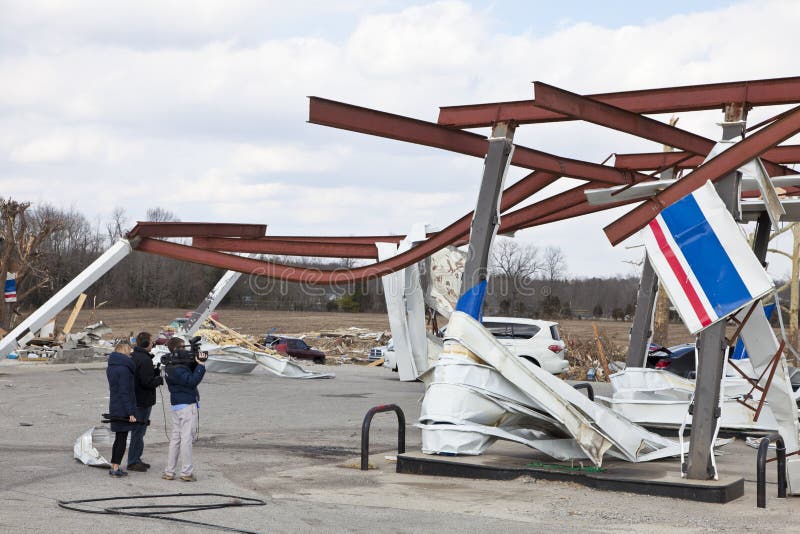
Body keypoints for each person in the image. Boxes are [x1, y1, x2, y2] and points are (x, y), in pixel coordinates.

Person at [162, 337, 206, 482]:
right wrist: (200, 366)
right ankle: (186, 472)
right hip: (187, 405)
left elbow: (188, 373)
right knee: (186, 439)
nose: (185, 350)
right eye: (182, 347)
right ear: (176, 349)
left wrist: (194, 361)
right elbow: (192, 381)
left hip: (177, 405)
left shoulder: (170, 365)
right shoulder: (178, 368)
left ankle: (169, 471)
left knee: (176, 438)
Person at [128, 331, 163, 472]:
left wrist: (153, 373)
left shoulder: (135, 356)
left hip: (136, 399)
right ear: (146, 343)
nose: (153, 343)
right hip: (142, 401)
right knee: (138, 432)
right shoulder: (145, 359)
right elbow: (146, 382)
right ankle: (133, 461)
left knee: (138, 431)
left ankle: (136, 458)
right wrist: (158, 380)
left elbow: (142, 377)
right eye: (151, 341)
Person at [106, 340, 137, 477]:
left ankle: (114, 465)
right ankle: (116, 467)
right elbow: (125, 391)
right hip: (123, 407)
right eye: (129, 352)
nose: (131, 355)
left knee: (119, 438)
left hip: (115, 404)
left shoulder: (111, 366)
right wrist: (130, 412)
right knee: (122, 439)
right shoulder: (124, 369)